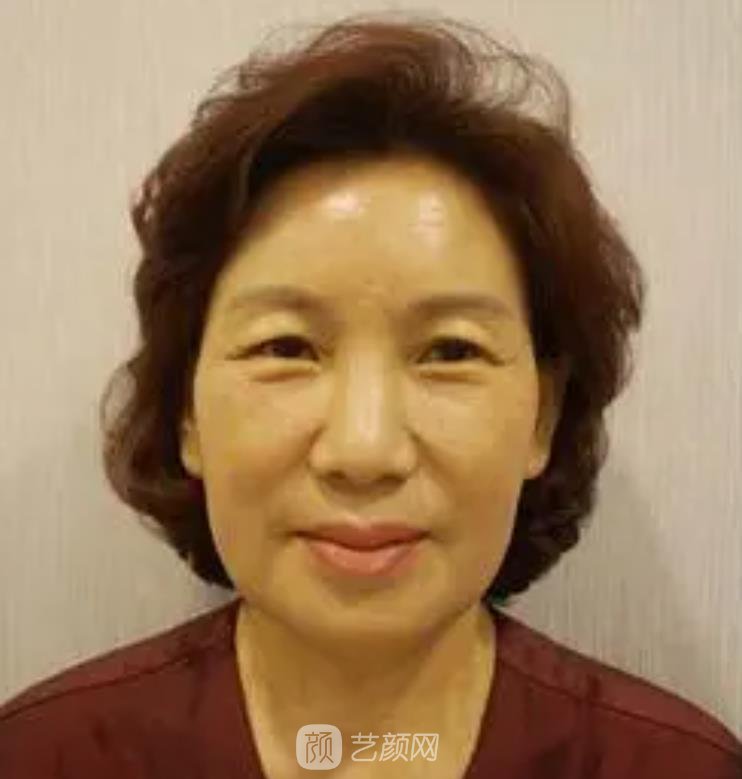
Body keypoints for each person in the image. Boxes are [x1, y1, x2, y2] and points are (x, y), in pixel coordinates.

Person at [1, 11, 739, 778]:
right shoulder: (43, 756)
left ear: (542, 419)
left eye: (451, 351)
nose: (364, 449)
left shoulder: (675, 766)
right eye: (286, 347)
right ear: (187, 411)